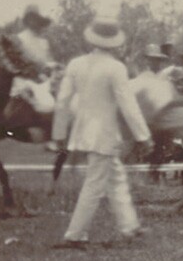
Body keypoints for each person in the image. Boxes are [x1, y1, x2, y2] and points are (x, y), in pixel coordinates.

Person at [50, 13, 154, 249]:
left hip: (84, 132)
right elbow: (128, 104)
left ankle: (130, 227)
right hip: (103, 134)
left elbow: (62, 101)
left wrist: (59, 135)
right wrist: (143, 136)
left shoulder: (76, 64)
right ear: (115, 42)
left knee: (116, 178)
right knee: (95, 184)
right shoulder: (115, 68)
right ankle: (75, 235)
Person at [0, 4, 58, 84]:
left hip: (43, 82)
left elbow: (48, 64)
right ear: (27, 20)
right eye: (31, 18)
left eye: (36, 18)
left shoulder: (44, 42)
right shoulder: (18, 39)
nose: (33, 22)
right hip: (23, 82)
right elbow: (14, 65)